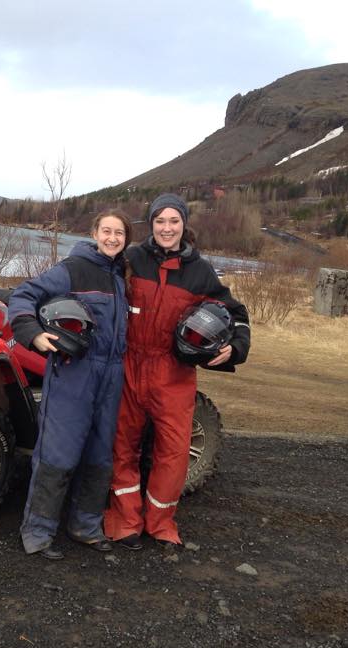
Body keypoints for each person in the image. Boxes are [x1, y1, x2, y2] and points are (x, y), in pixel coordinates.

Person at [104, 193, 250, 549]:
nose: (166, 228)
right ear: (150, 224)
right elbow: (94, 277)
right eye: (159, 221)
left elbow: (236, 315)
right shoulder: (132, 258)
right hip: (130, 366)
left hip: (173, 374)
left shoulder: (200, 272)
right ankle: (125, 521)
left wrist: (236, 348)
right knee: (122, 447)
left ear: (184, 225)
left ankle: (161, 523)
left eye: (173, 221)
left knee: (174, 451)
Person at [8, 210, 132, 560]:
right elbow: (23, 296)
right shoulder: (72, 269)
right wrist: (33, 335)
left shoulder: (123, 275)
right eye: (106, 230)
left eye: (119, 233)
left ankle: (85, 526)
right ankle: (37, 532)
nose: (112, 238)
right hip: (74, 372)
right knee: (57, 455)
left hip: (112, 376)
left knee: (99, 455)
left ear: (126, 238)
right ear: (94, 232)